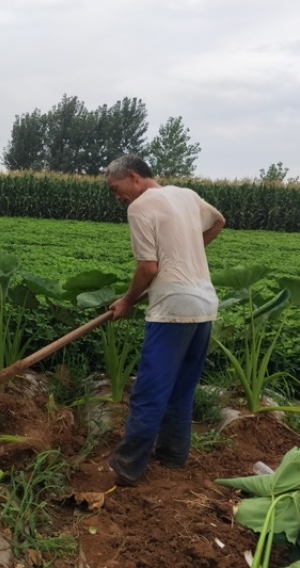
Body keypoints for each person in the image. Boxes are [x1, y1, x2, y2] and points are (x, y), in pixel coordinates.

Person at [104, 154, 225, 486]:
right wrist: (186, 250)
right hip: (205, 305)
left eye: (117, 189)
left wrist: (127, 301)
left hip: (173, 309)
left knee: (149, 391)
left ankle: (127, 468)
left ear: (133, 176)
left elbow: (148, 268)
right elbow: (219, 222)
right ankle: (172, 457)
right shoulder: (185, 195)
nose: (118, 197)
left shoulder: (140, 207)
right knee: (182, 388)